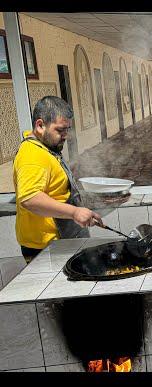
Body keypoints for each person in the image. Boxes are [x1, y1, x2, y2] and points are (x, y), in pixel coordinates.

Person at [13, 96, 101, 263]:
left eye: (67, 129)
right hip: (46, 248)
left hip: (59, 242)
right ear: (40, 125)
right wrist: (75, 212)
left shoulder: (44, 148)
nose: (65, 135)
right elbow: (30, 199)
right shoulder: (32, 155)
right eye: (60, 130)